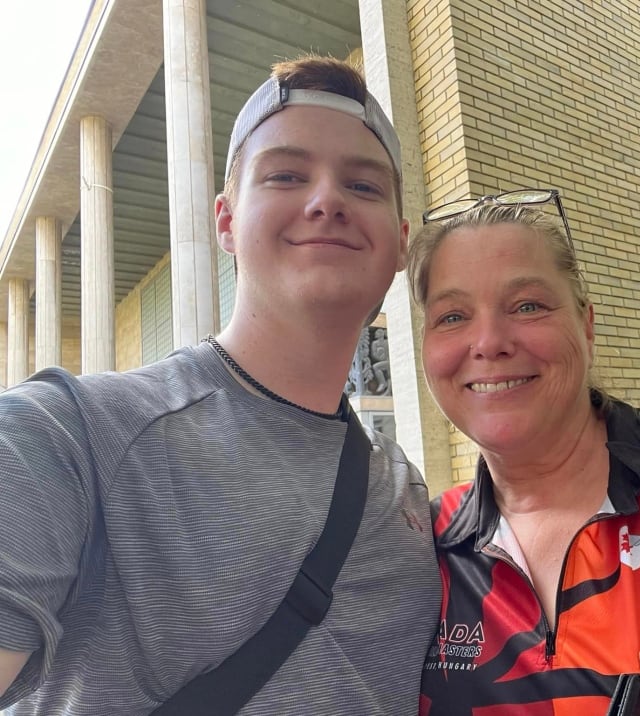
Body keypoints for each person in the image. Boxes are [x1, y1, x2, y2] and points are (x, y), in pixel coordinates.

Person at [0, 55, 441, 715]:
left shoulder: (405, 496)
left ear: (400, 243)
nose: (327, 200)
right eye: (287, 175)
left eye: (365, 186)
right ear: (226, 221)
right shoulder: (64, 439)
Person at [407, 189, 640, 714]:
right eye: (452, 316)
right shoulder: (425, 550)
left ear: (586, 323)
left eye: (528, 305)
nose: (488, 341)